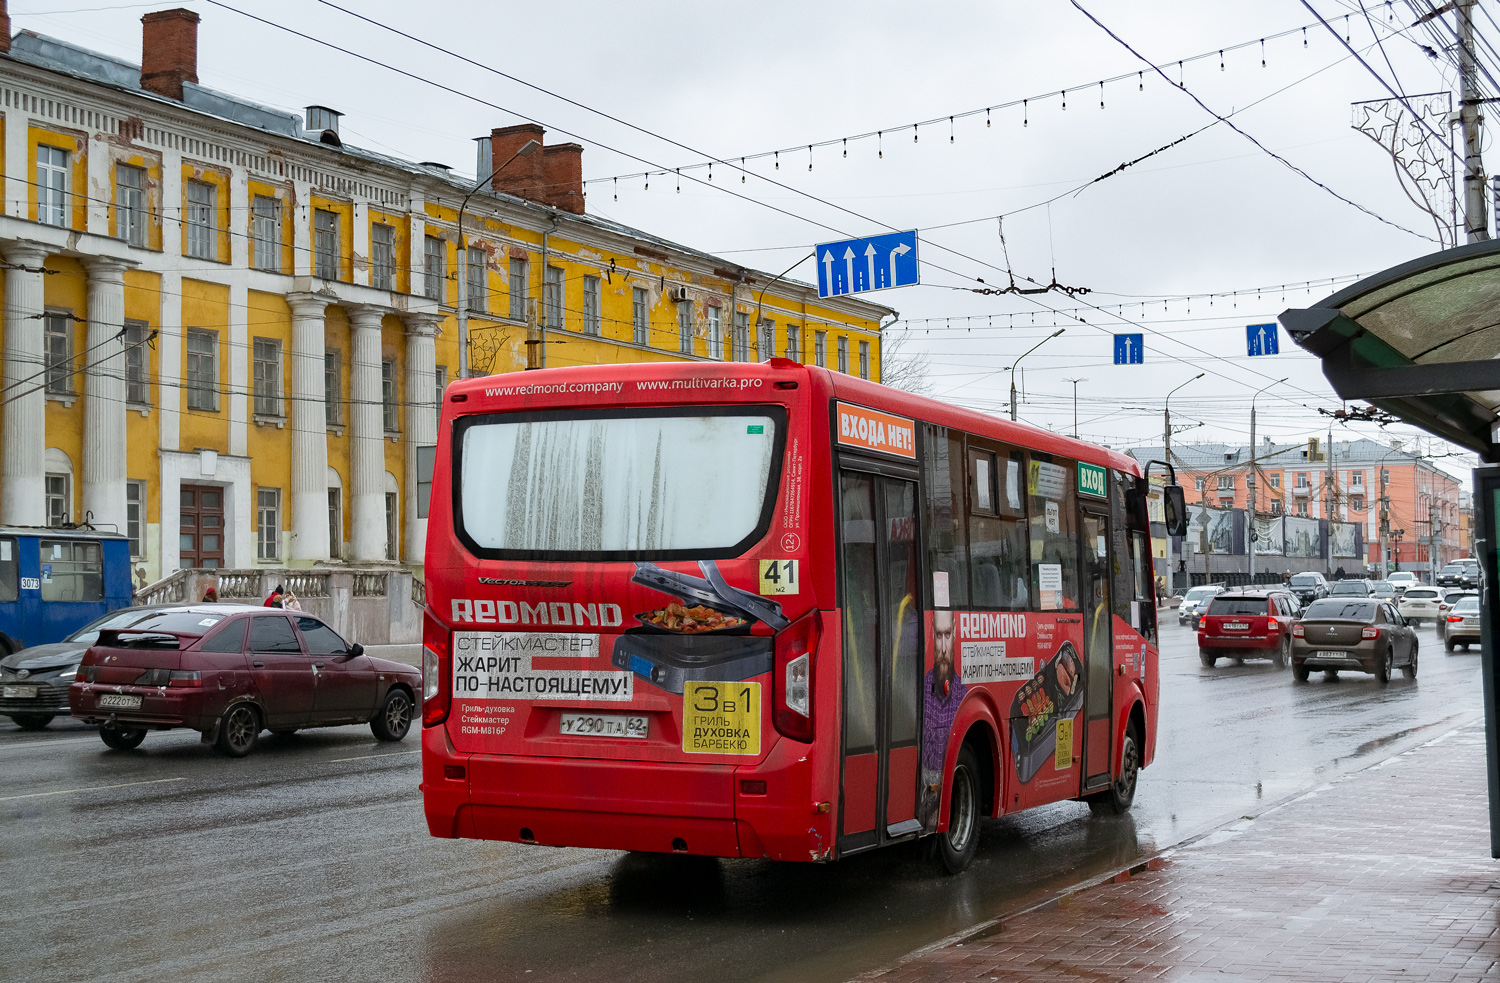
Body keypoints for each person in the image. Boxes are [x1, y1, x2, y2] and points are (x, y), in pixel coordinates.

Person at [918, 609, 969, 828]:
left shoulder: (963, 698)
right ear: (931, 634)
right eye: (939, 636)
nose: (944, 648)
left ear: (956, 632)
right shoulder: (920, 691)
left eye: (947, 634)